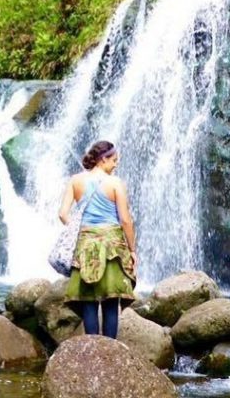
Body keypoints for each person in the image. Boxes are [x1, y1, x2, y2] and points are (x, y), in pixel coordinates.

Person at [58, 140, 136, 337]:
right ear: (103, 159)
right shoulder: (115, 183)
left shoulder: (75, 180)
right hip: (113, 245)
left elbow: (62, 214)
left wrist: (79, 229)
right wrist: (133, 250)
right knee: (111, 300)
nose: (116, 164)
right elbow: (125, 220)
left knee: (88, 299)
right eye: (114, 160)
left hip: (85, 243)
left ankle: (92, 348)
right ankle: (109, 351)